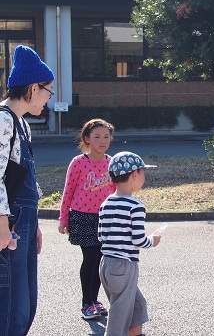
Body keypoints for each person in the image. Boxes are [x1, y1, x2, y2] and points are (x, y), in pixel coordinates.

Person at [0, 45, 55, 335]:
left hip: (24, 221)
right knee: (10, 307)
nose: (48, 98)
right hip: (8, 224)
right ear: (34, 88)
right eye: (48, 91)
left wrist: (34, 224)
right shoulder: (3, 120)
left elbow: (24, 179)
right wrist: (2, 226)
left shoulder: (23, 125)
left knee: (26, 303)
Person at [58, 118, 117, 320]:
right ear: (87, 139)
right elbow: (68, 191)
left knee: (101, 260)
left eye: (106, 137)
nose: (102, 141)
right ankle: (86, 303)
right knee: (90, 258)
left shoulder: (112, 163)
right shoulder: (78, 163)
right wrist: (63, 219)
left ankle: (95, 301)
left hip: (106, 218)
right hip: (82, 217)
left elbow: (118, 192)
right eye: (97, 137)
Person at [98, 151, 160, 336]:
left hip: (106, 265)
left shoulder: (106, 203)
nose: (143, 178)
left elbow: (101, 235)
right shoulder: (135, 206)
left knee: (137, 305)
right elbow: (139, 239)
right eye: (142, 173)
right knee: (119, 315)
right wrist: (153, 241)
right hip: (124, 266)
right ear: (134, 175)